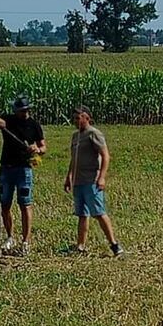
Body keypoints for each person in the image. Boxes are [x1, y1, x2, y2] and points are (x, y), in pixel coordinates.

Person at [0, 95, 46, 254]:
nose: (23, 113)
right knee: (5, 204)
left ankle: (26, 241)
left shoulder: (34, 125)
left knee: (25, 204)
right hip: (7, 168)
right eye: (20, 111)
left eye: (25, 110)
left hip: (24, 169)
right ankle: (10, 237)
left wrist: (37, 150)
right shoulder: (7, 120)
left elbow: (43, 146)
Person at [64, 108, 123, 257]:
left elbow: (105, 156)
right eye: (75, 119)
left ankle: (114, 245)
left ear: (87, 118)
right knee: (82, 214)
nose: (76, 121)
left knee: (98, 213)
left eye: (79, 118)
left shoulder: (94, 134)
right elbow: (74, 158)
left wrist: (102, 177)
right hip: (79, 180)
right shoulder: (75, 136)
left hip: (91, 180)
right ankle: (80, 246)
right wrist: (69, 176)